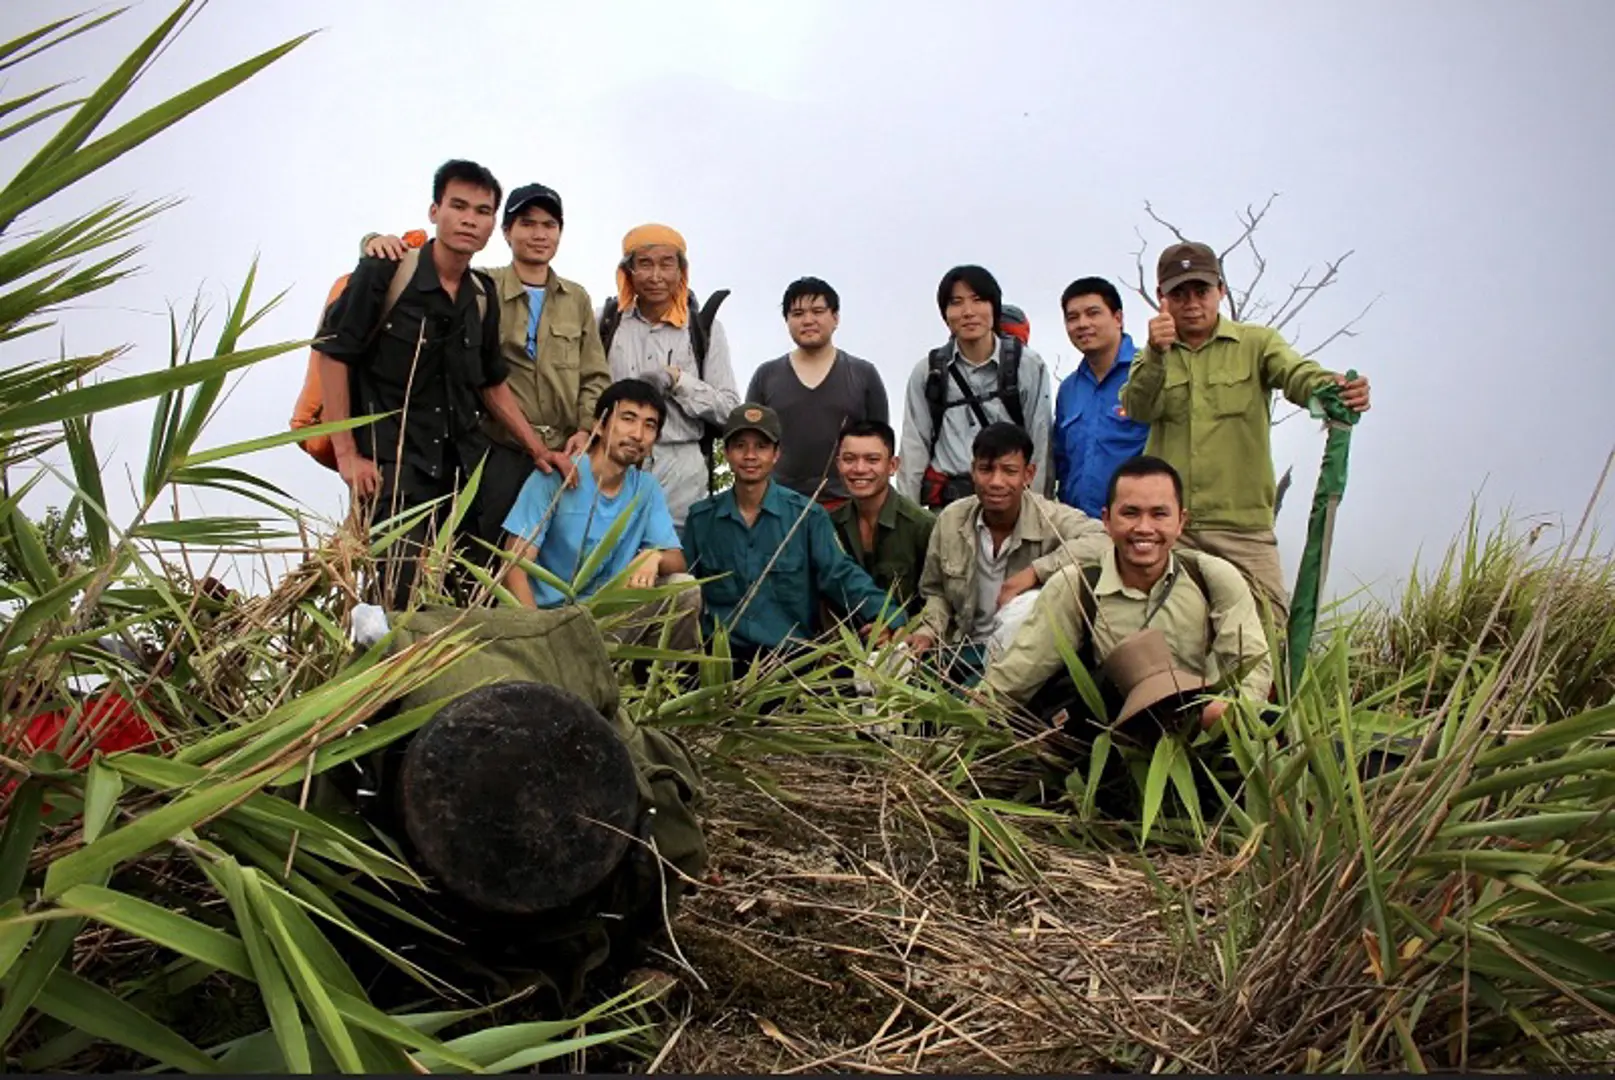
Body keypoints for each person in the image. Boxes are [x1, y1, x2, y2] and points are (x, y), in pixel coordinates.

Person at [316, 159, 544, 608]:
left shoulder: (482, 292)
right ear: (434, 210)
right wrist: (348, 456)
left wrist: (538, 449)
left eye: (482, 211)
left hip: (461, 473)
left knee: (466, 597)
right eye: (458, 206)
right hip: (395, 468)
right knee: (394, 596)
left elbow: (491, 382)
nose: (469, 219)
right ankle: (384, 676)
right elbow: (333, 354)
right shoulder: (386, 271)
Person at [1119, 241, 1371, 625]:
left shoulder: (1257, 343)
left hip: (1243, 529)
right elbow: (1137, 407)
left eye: (1201, 291)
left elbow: (1296, 374)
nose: (1191, 303)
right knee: (1165, 635)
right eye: (1179, 294)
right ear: (1161, 299)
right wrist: (1155, 352)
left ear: (1220, 289)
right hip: (1172, 532)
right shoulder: (1151, 356)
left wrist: (1333, 388)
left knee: (1271, 633)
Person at [359, 183, 612, 541]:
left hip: (565, 454)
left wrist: (586, 429)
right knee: (487, 554)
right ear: (506, 231)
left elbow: (594, 375)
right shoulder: (479, 285)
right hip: (497, 449)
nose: (539, 234)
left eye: (549, 225)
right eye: (527, 223)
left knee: (559, 559)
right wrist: (373, 241)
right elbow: (419, 265)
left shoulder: (577, 298)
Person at [983, 455, 1273, 734]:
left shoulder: (1211, 578)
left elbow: (1252, 664)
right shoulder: (1077, 586)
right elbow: (1016, 676)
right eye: (1130, 513)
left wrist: (1228, 715)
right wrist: (959, 734)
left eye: (1159, 514)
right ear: (1107, 521)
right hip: (1107, 744)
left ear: (1181, 521)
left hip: (1198, 737)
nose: (1144, 528)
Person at [682, 404, 908, 674]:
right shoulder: (701, 519)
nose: (750, 456)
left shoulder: (806, 516)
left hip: (788, 665)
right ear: (727, 453)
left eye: (761, 446)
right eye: (740, 445)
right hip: (719, 663)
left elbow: (840, 574)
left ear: (776, 454)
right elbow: (685, 590)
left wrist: (889, 615)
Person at [501, 378, 699, 651]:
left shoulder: (646, 489)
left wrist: (655, 556)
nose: (638, 434)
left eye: (649, 425)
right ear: (599, 424)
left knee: (683, 588)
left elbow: (678, 562)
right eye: (628, 418)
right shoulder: (558, 475)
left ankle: (658, 688)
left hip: (604, 624)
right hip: (545, 621)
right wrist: (538, 638)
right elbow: (514, 567)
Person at [905, 422, 1104, 684]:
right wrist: (928, 632)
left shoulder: (1051, 517)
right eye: (986, 469)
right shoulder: (952, 519)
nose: (996, 482)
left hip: (1024, 659)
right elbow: (935, 591)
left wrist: (1035, 572)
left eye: (1009, 471)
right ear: (973, 471)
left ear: (1028, 474)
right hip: (961, 650)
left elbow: (1103, 540)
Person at [599, 224, 740, 534]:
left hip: (682, 470)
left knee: (675, 568)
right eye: (645, 264)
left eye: (666, 263)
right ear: (629, 270)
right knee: (606, 561)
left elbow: (729, 410)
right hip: (614, 465)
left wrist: (678, 381)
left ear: (681, 270)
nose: (655, 276)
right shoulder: (606, 322)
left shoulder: (704, 330)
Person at [896, 265, 1053, 511]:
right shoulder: (929, 372)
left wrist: (1036, 513)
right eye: (956, 302)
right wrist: (908, 519)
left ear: (994, 307)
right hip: (948, 508)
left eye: (978, 300)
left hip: (1010, 507)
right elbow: (914, 446)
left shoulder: (1028, 366)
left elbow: (1040, 443)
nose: (968, 312)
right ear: (945, 314)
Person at [745, 277, 888, 509]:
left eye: (818, 311)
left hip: (847, 503)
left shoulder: (864, 374)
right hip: (779, 503)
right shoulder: (766, 376)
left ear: (835, 317)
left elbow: (881, 444)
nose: (808, 320)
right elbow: (751, 440)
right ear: (787, 321)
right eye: (798, 313)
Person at [1051, 277, 1150, 517]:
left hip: (1136, 524)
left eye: (1093, 313)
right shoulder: (1069, 389)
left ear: (1118, 318)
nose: (1082, 324)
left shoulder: (1148, 372)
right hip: (1078, 526)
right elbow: (1062, 461)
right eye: (1072, 317)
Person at [828, 419, 935, 614]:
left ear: (892, 465)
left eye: (872, 460)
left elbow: (938, 599)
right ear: (838, 464)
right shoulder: (828, 525)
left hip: (908, 639)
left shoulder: (922, 526)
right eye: (849, 459)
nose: (859, 469)